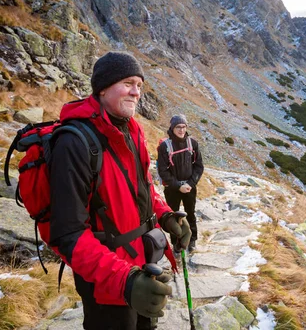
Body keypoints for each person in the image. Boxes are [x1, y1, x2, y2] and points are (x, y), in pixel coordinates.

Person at [48, 51, 192, 330]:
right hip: (107, 280)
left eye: (139, 85)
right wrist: (125, 281)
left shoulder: (133, 130)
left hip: (142, 264)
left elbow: (142, 189)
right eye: (128, 83)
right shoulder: (74, 143)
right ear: (103, 87)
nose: (136, 92)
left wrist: (165, 215)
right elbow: (67, 234)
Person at [156, 114, 204, 253]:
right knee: (173, 216)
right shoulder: (165, 147)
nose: (181, 130)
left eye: (184, 127)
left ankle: (192, 239)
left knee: (190, 213)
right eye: (178, 127)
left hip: (189, 186)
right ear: (172, 128)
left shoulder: (192, 144)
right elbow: (163, 171)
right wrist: (178, 185)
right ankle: (176, 244)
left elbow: (199, 166)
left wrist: (191, 183)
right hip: (172, 188)